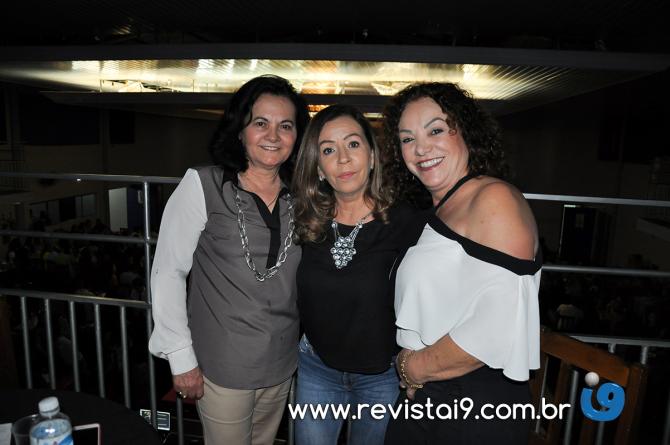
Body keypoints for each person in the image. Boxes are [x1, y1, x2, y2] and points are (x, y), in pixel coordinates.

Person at [148, 75, 309, 445]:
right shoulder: (203, 184)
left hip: (282, 363)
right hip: (222, 366)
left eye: (286, 126)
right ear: (239, 130)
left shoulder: (302, 195)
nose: (273, 135)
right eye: (260, 123)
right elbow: (168, 272)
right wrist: (181, 358)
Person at [382, 83, 542, 444]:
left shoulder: (493, 197)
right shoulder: (442, 208)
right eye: (407, 139)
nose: (421, 148)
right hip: (432, 395)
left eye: (436, 130)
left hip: (474, 405)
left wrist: (413, 367)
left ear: (466, 132)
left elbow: (500, 321)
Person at [291, 105, 416, 445]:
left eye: (353, 144)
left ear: (372, 156)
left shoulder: (406, 222)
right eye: (328, 150)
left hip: (381, 376)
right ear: (319, 168)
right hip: (316, 368)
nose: (343, 159)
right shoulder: (304, 219)